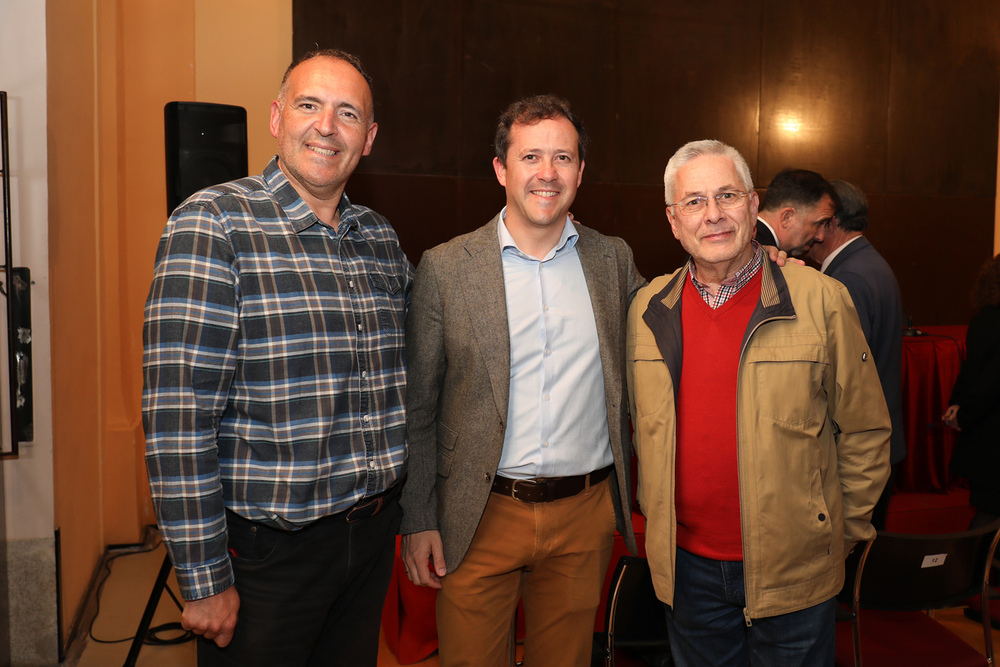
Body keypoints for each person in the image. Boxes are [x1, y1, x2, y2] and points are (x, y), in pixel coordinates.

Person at [142, 49, 411, 667]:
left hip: (369, 541)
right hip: (268, 559)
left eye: (348, 114)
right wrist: (205, 577)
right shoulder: (212, 224)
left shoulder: (378, 237)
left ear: (367, 140)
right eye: (309, 105)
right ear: (276, 117)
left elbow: (415, 365)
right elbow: (179, 419)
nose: (326, 126)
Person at [399, 94, 644, 667]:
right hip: (479, 510)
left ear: (580, 173)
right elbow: (419, 408)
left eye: (563, 158)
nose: (547, 172)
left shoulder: (612, 262)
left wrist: (758, 263)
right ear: (501, 169)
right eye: (531, 156)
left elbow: (675, 314)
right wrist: (418, 517)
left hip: (584, 514)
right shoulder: (446, 268)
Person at [627, 140, 890, 666]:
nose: (714, 215)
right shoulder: (646, 308)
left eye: (727, 195)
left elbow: (866, 431)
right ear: (674, 221)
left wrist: (837, 535)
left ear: (753, 206)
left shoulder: (821, 299)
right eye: (695, 202)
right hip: (686, 572)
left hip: (795, 572)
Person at [807, 179, 904, 530]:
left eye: (814, 223)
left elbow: (844, 378)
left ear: (831, 223)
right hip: (877, 448)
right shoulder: (869, 263)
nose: (807, 238)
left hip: (858, 456)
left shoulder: (848, 277)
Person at [944, 254, 1000, 529]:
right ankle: (971, 569)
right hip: (992, 436)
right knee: (989, 515)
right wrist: (962, 412)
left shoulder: (983, 320)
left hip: (985, 435)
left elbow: (972, 373)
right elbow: (988, 383)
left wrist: (958, 408)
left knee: (988, 511)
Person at [756, 168, 838, 256]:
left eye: (826, 224)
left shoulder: (755, 245)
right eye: (819, 224)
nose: (820, 237)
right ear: (787, 217)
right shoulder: (759, 254)